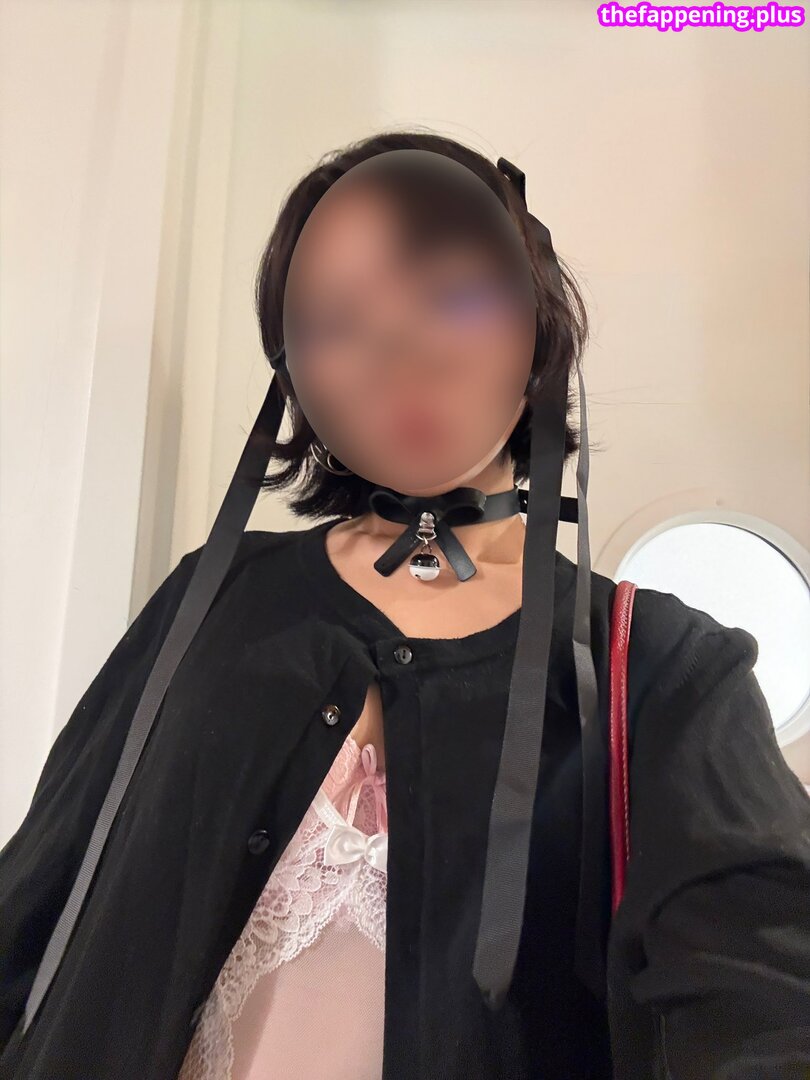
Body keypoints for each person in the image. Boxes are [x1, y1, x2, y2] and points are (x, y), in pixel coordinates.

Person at [1, 130, 809, 1080]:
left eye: (452, 295)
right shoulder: (210, 598)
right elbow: (37, 898)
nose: (402, 352)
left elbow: (761, 980)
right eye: (338, 321)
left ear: (537, 322)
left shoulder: (667, 665)